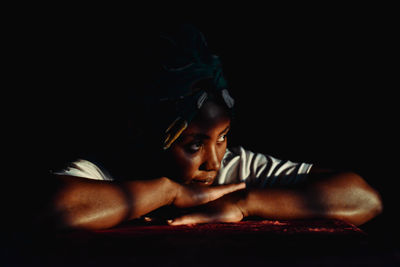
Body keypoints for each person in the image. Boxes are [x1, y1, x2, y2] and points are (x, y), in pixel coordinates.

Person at [38, 24, 382, 230]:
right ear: (141, 134)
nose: (214, 161)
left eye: (223, 138)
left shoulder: (233, 170)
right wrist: (170, 191)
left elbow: (363, 198)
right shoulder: (104, 170)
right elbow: (56, 207)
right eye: (194, 145)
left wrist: (244, 203)